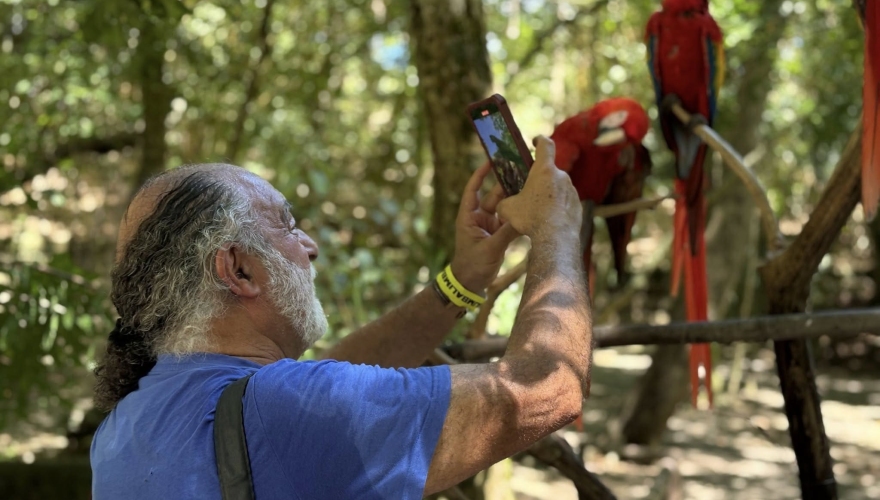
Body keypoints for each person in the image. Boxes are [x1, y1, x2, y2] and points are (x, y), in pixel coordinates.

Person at [90, 136, 593, 499]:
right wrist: (558, 231)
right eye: (286, 225)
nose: (310, 247)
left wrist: (460, 282)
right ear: (238, 269)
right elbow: (544, 389)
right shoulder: (284, 411)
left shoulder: (125, 424)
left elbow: (321, 388)